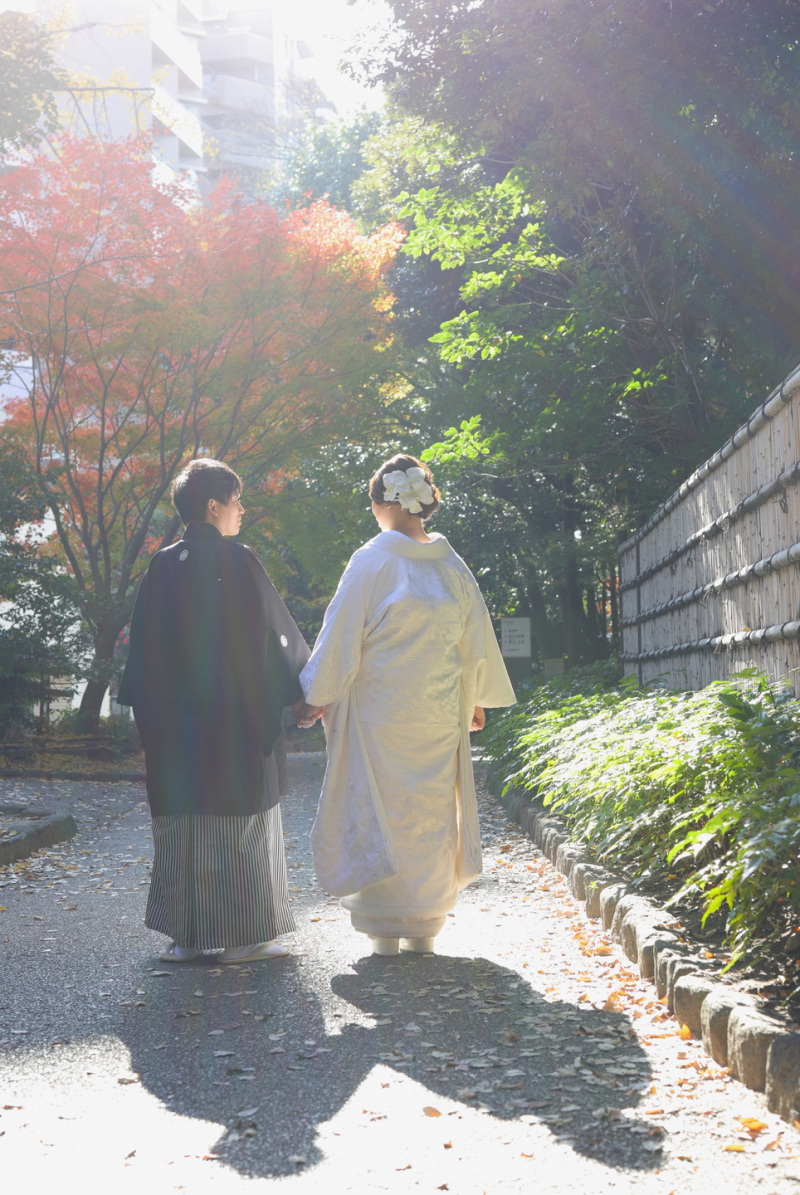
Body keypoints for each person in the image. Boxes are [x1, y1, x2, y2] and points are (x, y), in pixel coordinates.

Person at [295, 454, 516, 956]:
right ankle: (425, 925)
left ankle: (385, 933)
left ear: (381, 503)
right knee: (432, 813)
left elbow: (342, 635)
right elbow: (473, 637)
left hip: (380, 714)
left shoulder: (371, 560)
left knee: (380, 811)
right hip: (437, 711)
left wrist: (314, 696)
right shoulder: (450, 563)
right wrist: (475, 695)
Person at [117, 458, 310, 964]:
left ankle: (188, 937)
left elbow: (143, 656)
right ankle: (245, 938)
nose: (241, 510)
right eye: (236, 500)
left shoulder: (161, 565)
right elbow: (274, 639)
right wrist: (302, 695)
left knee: (185, 821)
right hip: (233, 721)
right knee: (241, 819)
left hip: (174, 727)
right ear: (212, 506)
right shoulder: (237, 560)